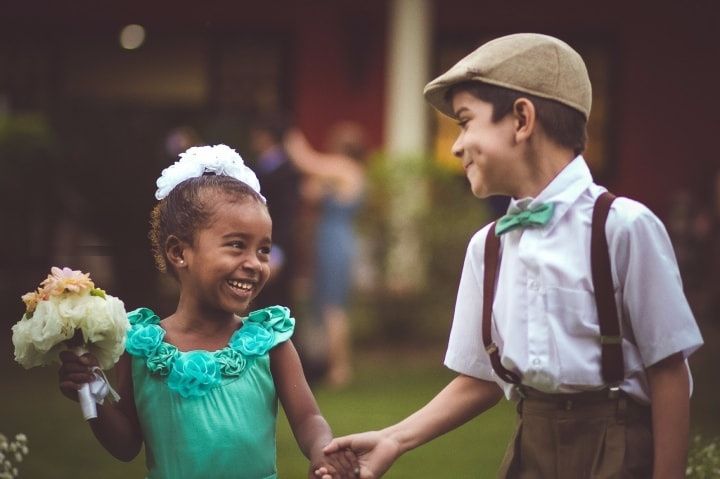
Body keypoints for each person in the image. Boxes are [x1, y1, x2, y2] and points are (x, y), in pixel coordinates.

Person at [318, 33, 703, 478]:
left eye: (464, 122)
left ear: (522, 119)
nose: (456, 146)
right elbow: (482, 377)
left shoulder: (624, 228)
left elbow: (669, 371)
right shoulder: (488, 247)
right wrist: (394, 438)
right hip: (530, 447)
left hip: (617, 447)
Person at [57, 145, 358, 479]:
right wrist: (91, 396)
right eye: (236, 245)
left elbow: (309, 420)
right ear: (179, 252)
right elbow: (127, 444)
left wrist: (322, 452)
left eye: (263, 250)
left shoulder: (268, 343)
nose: (254, 264)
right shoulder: (142, 347)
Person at [284, 122, 367, 388]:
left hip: (335, 240)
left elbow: (304, 160)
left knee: (333, 306)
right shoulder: (342, 174)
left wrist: (288, 132)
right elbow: (309, 192)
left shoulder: (346, 169)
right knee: (329, 304)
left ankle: (340, 368)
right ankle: (338, 365)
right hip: (330, 238)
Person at [248, 114, 301, 312]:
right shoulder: (259, 166)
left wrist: (276, 251)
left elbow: (287, 215)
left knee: (277, 306)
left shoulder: (288, 170)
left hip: (276, 245)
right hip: (258, 246)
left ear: (265, 136)